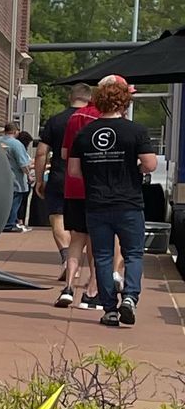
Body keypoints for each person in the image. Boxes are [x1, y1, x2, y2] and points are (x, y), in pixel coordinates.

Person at [70, 77, 159, 328]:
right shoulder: (136, 131)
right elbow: (150, 164)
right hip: (129, 202)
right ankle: (130, 297)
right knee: (133, 253)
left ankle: (109, 308)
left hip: (97, 203)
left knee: (103, 256)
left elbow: (74, 171)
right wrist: (134, 168)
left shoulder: (84, 133)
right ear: (124, 103)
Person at [36, 94, 99, 309]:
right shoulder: (99, 118)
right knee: (91, 235)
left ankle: (67, 270)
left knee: (59, 221)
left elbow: (43, 152)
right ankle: (93, 284)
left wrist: (38, 178)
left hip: (61, 177)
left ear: (71, 97)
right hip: (91, 184)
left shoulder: (57, 120)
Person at [1, 124, 33, 232]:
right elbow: (24, 164)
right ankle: (10, 224)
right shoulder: (16, 144)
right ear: (15, 132)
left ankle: (3, 223)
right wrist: (28, 174)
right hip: (16, 178)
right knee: (15, 202)